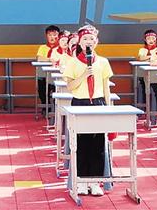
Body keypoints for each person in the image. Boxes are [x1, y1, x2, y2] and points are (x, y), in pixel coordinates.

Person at [63, 25, 112, 196]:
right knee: (81, 143)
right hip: (80, 103)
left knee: (98, 144)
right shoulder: (73, 62)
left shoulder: (103, 62)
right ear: (79, 42)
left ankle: (95, 181)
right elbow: (70, 86)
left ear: (97, 41)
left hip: (98, 102)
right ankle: (81, 181)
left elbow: (106, 88)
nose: (88, 42)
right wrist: (84, 75)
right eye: (85, 39)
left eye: (91, 39)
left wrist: (109, 108)